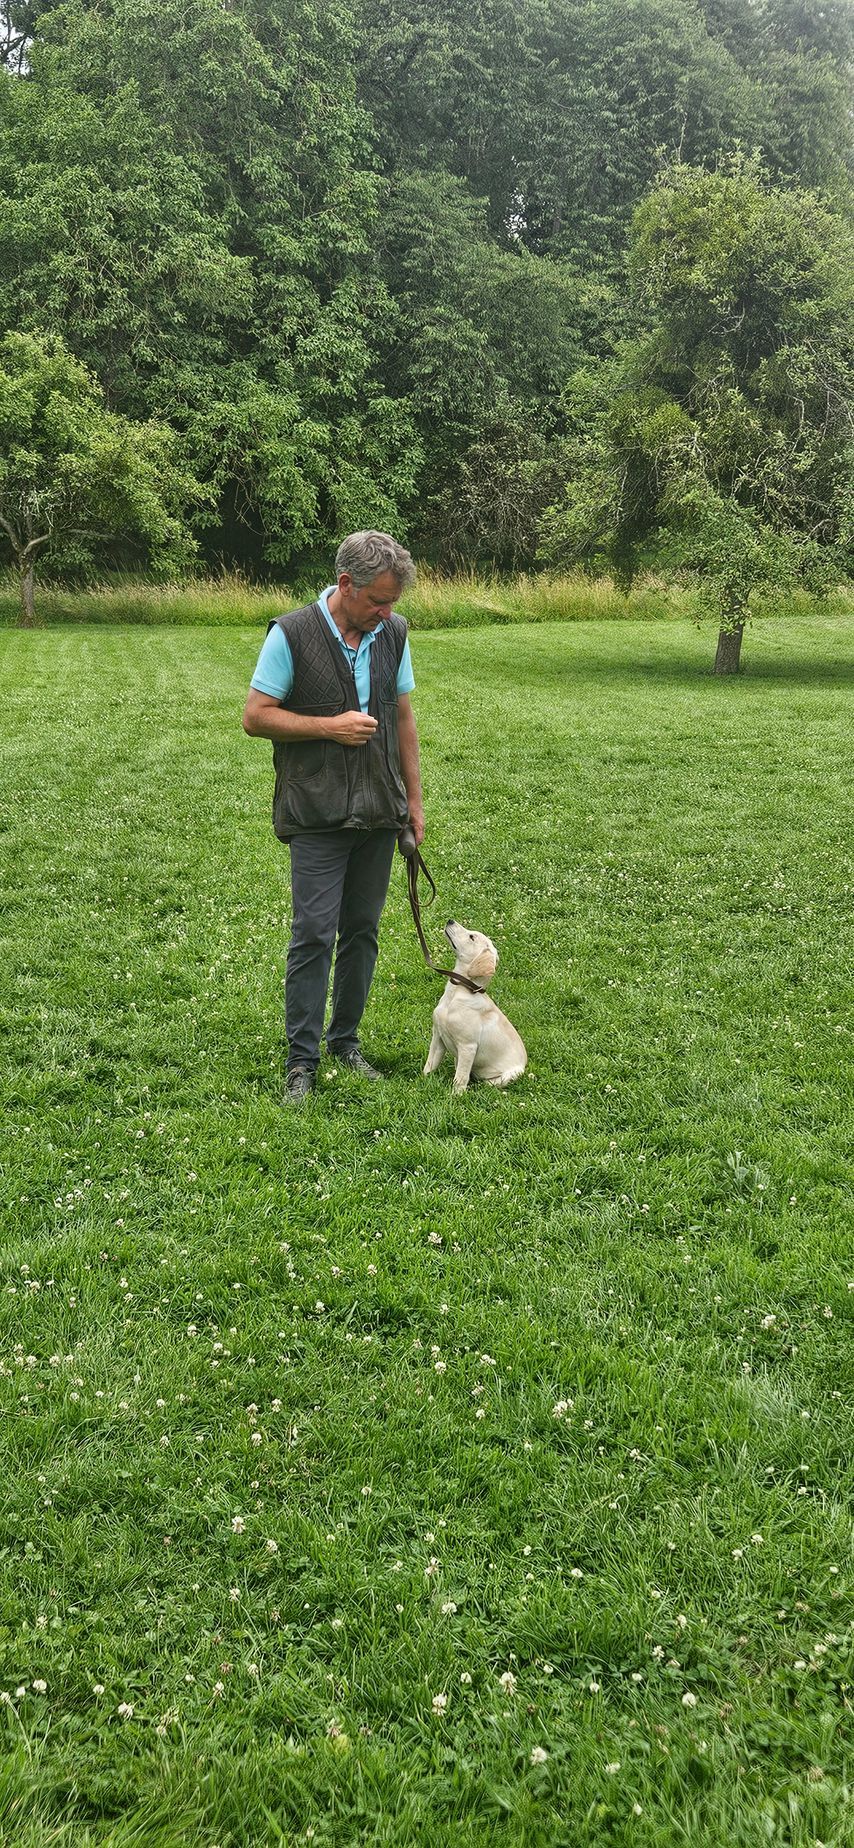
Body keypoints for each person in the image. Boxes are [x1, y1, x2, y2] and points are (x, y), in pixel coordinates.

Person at [242, 531, 425, 1100]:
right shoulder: (290, 634)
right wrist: (330, 727)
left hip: (380, 810)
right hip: (316, 812)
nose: (386, 613)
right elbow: (255, 716)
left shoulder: (393, 633)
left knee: (362, 931)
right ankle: (302, 1062)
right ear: (346, 584)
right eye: (378, 601)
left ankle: (345, 1041)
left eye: (393, 603)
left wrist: (413, 803)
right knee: (314, 934)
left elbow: (403, 718)